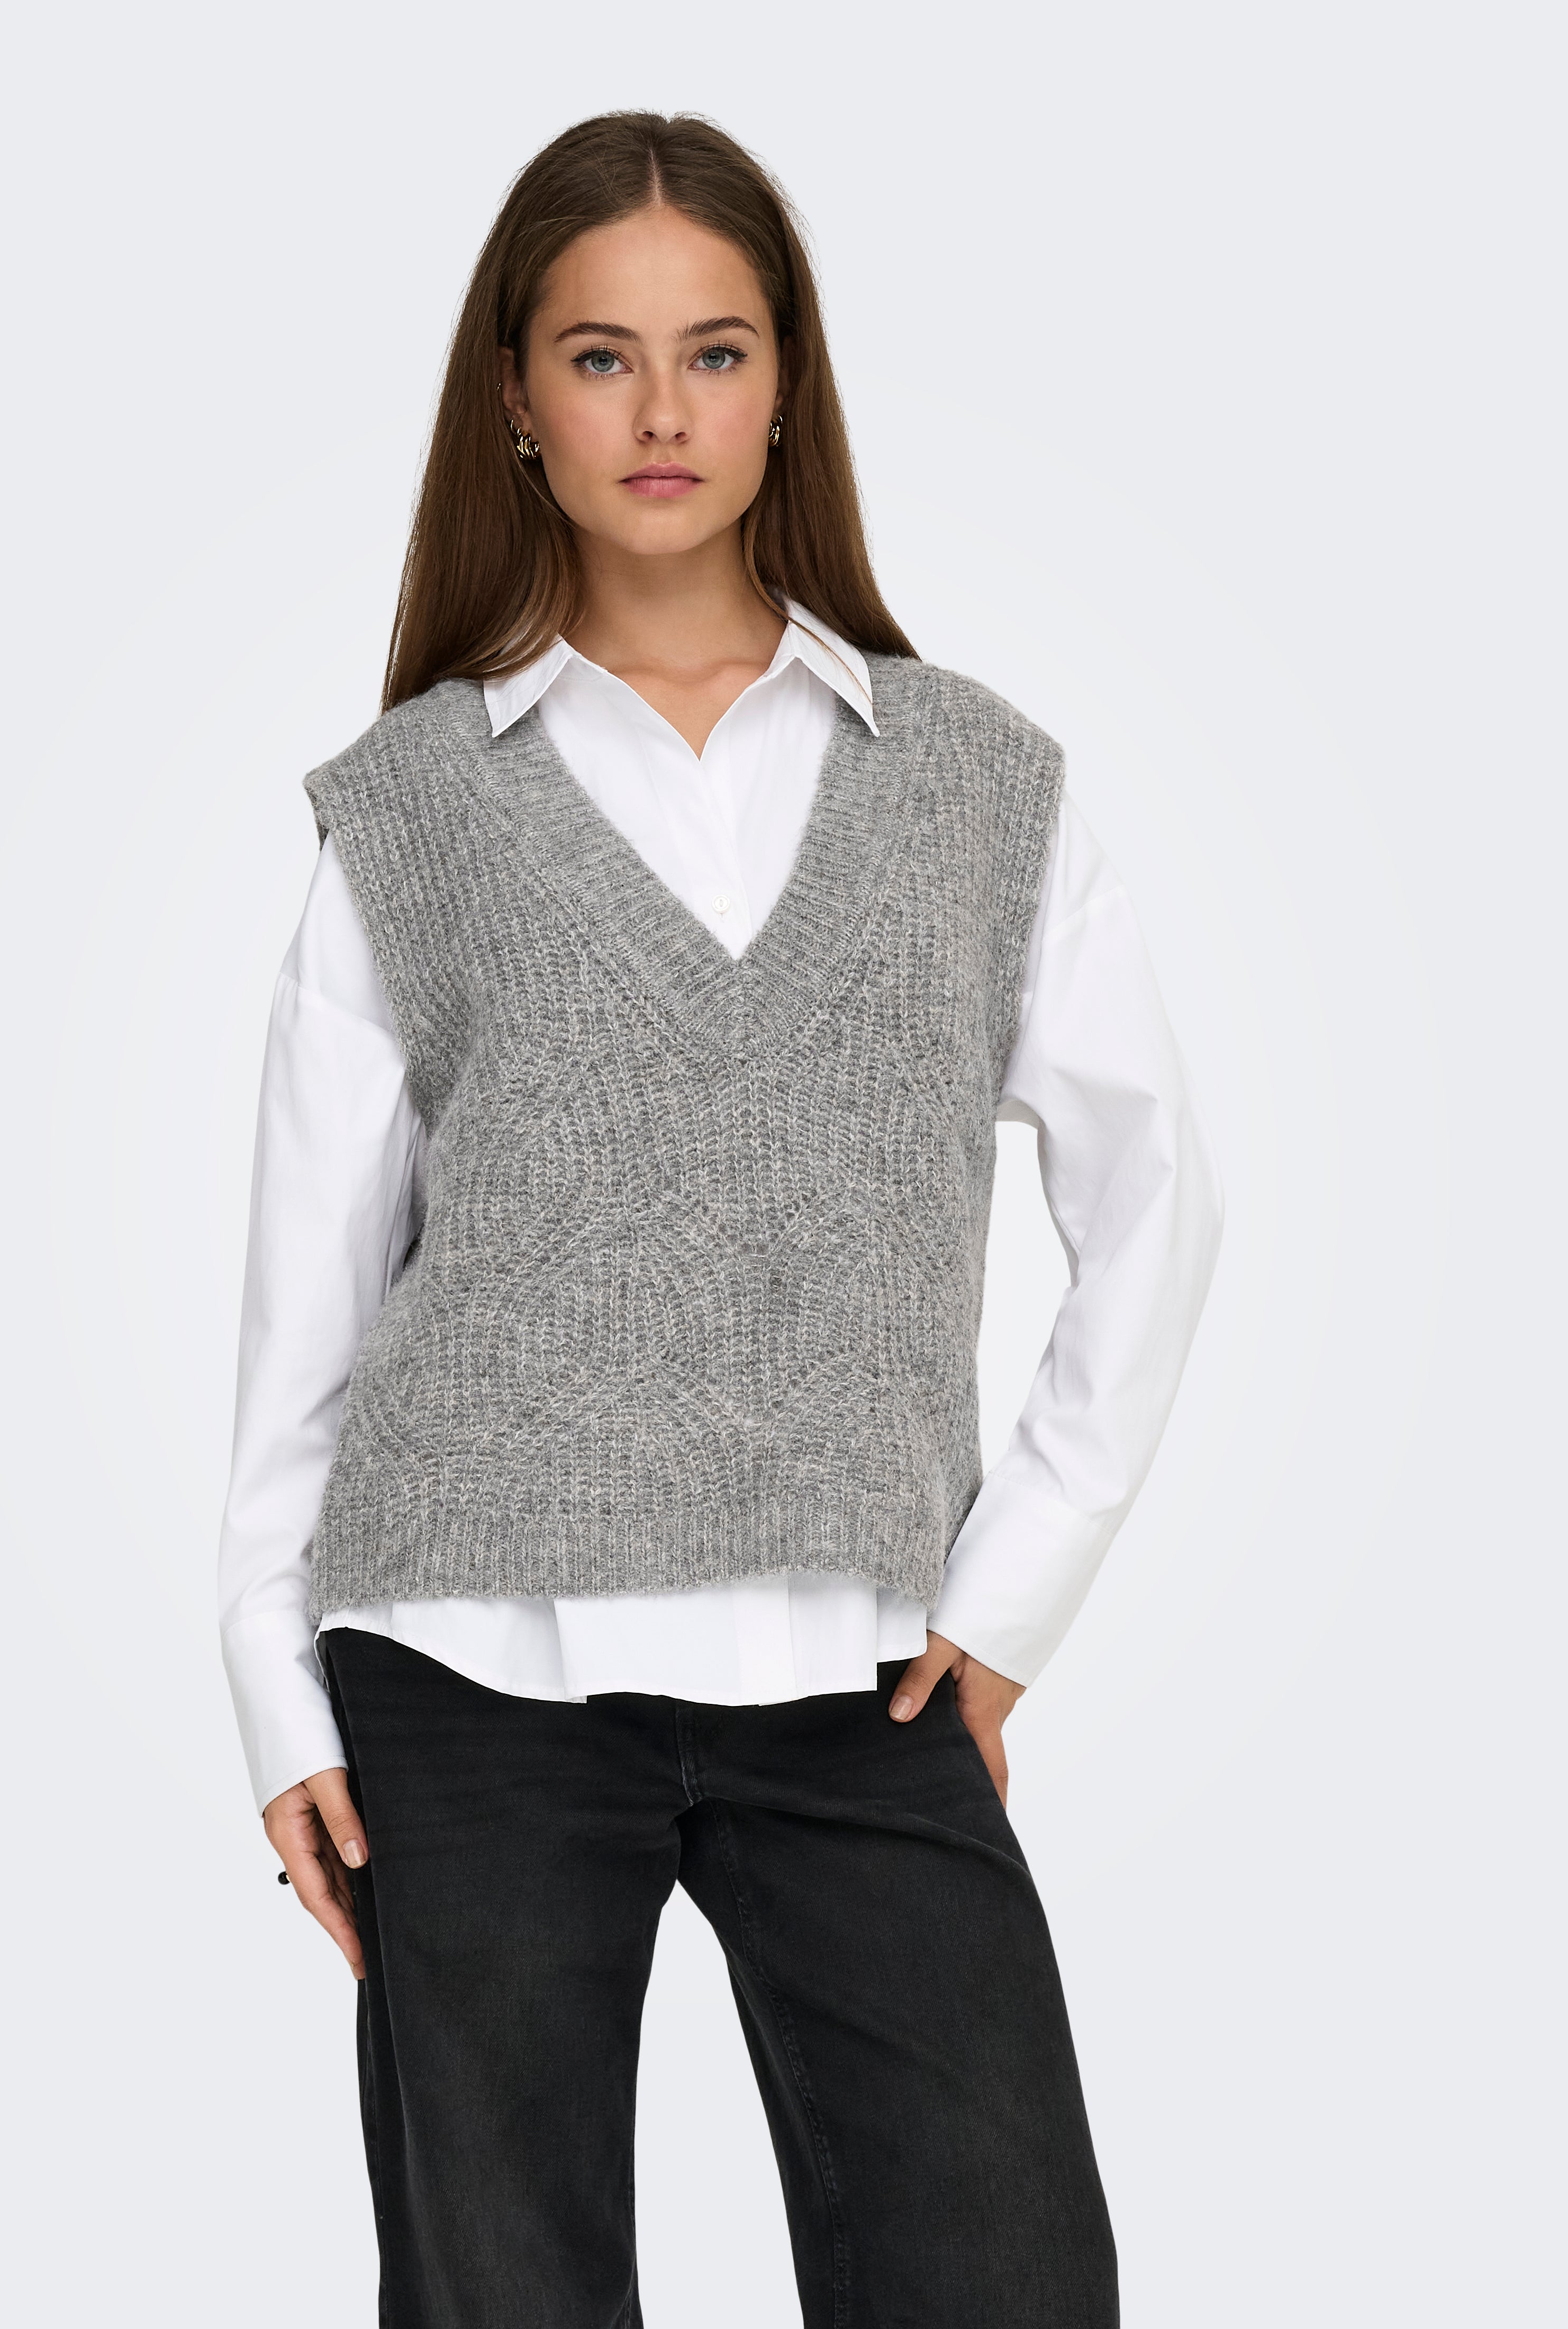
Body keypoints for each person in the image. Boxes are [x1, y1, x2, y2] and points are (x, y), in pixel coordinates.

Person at [218, 110, 1222, 2328]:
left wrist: (1010, 1600)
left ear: (786, 387)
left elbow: (1156, 1202)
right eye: (600, 356)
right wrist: (276, 1690)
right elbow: (310, 1301)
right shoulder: (413, 810)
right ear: (517, 397)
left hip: (854, 1674)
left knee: (1005, 2269)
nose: (660, 411)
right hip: (468, 1671)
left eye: (716, 351)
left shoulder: (975, 784)